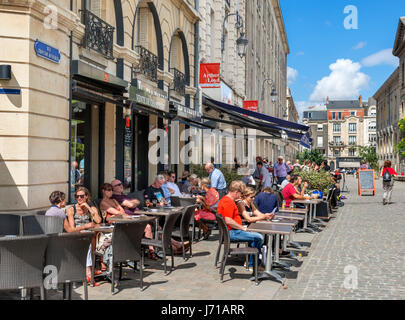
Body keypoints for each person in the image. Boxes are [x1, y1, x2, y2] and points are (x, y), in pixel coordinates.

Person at [101, 183, 158, 260]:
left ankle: (151, 251)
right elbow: (119, 212)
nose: (110, 192)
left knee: (147, 226)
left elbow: (122, 212)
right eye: (108, 190)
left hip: (124, 221)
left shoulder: (114, 200)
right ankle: (133, 255)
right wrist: (121, 212)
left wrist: (122, 212)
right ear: (103, 191)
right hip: (115, 224)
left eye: (111, 190)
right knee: (143, 228)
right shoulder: (103, 203)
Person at [217, 181, 264, 271]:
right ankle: (253, 264)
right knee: (258, 237)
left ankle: (252, 263)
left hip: (231, 231)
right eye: (241, 193)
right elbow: (228, 220)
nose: (241, 196)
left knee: (254, 235)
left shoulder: (227, 200)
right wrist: (242, 228)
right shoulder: (228, 202)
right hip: (231, 232)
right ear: (236, 192)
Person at [66, 187, 102, 283]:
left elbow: (98, 220)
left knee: (92, 238)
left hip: (90, 235)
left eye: (81, 196)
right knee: (89, 240)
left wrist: (88, 208)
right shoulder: (71, 209)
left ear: (86, 197)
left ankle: (90, 270)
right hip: (77, 235)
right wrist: (85, 226)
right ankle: (89, 271)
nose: (79, 198)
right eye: (77, 196)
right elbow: (72, 229)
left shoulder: (92, 208)